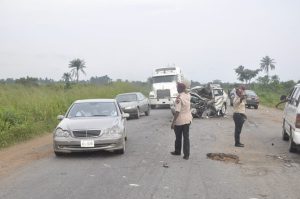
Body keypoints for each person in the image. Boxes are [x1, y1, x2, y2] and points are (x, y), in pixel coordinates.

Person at [171, 82, 193, 160]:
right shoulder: (188, 95)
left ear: (180, 89)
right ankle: (186, 155)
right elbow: (187, 93)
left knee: (178, 137)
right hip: (188, 119)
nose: (176, 89)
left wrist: (173, 122)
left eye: (177, 87)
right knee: (186, 137)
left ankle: (177, 151)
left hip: (180, 120)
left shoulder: (179, 99)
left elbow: (177, 111)